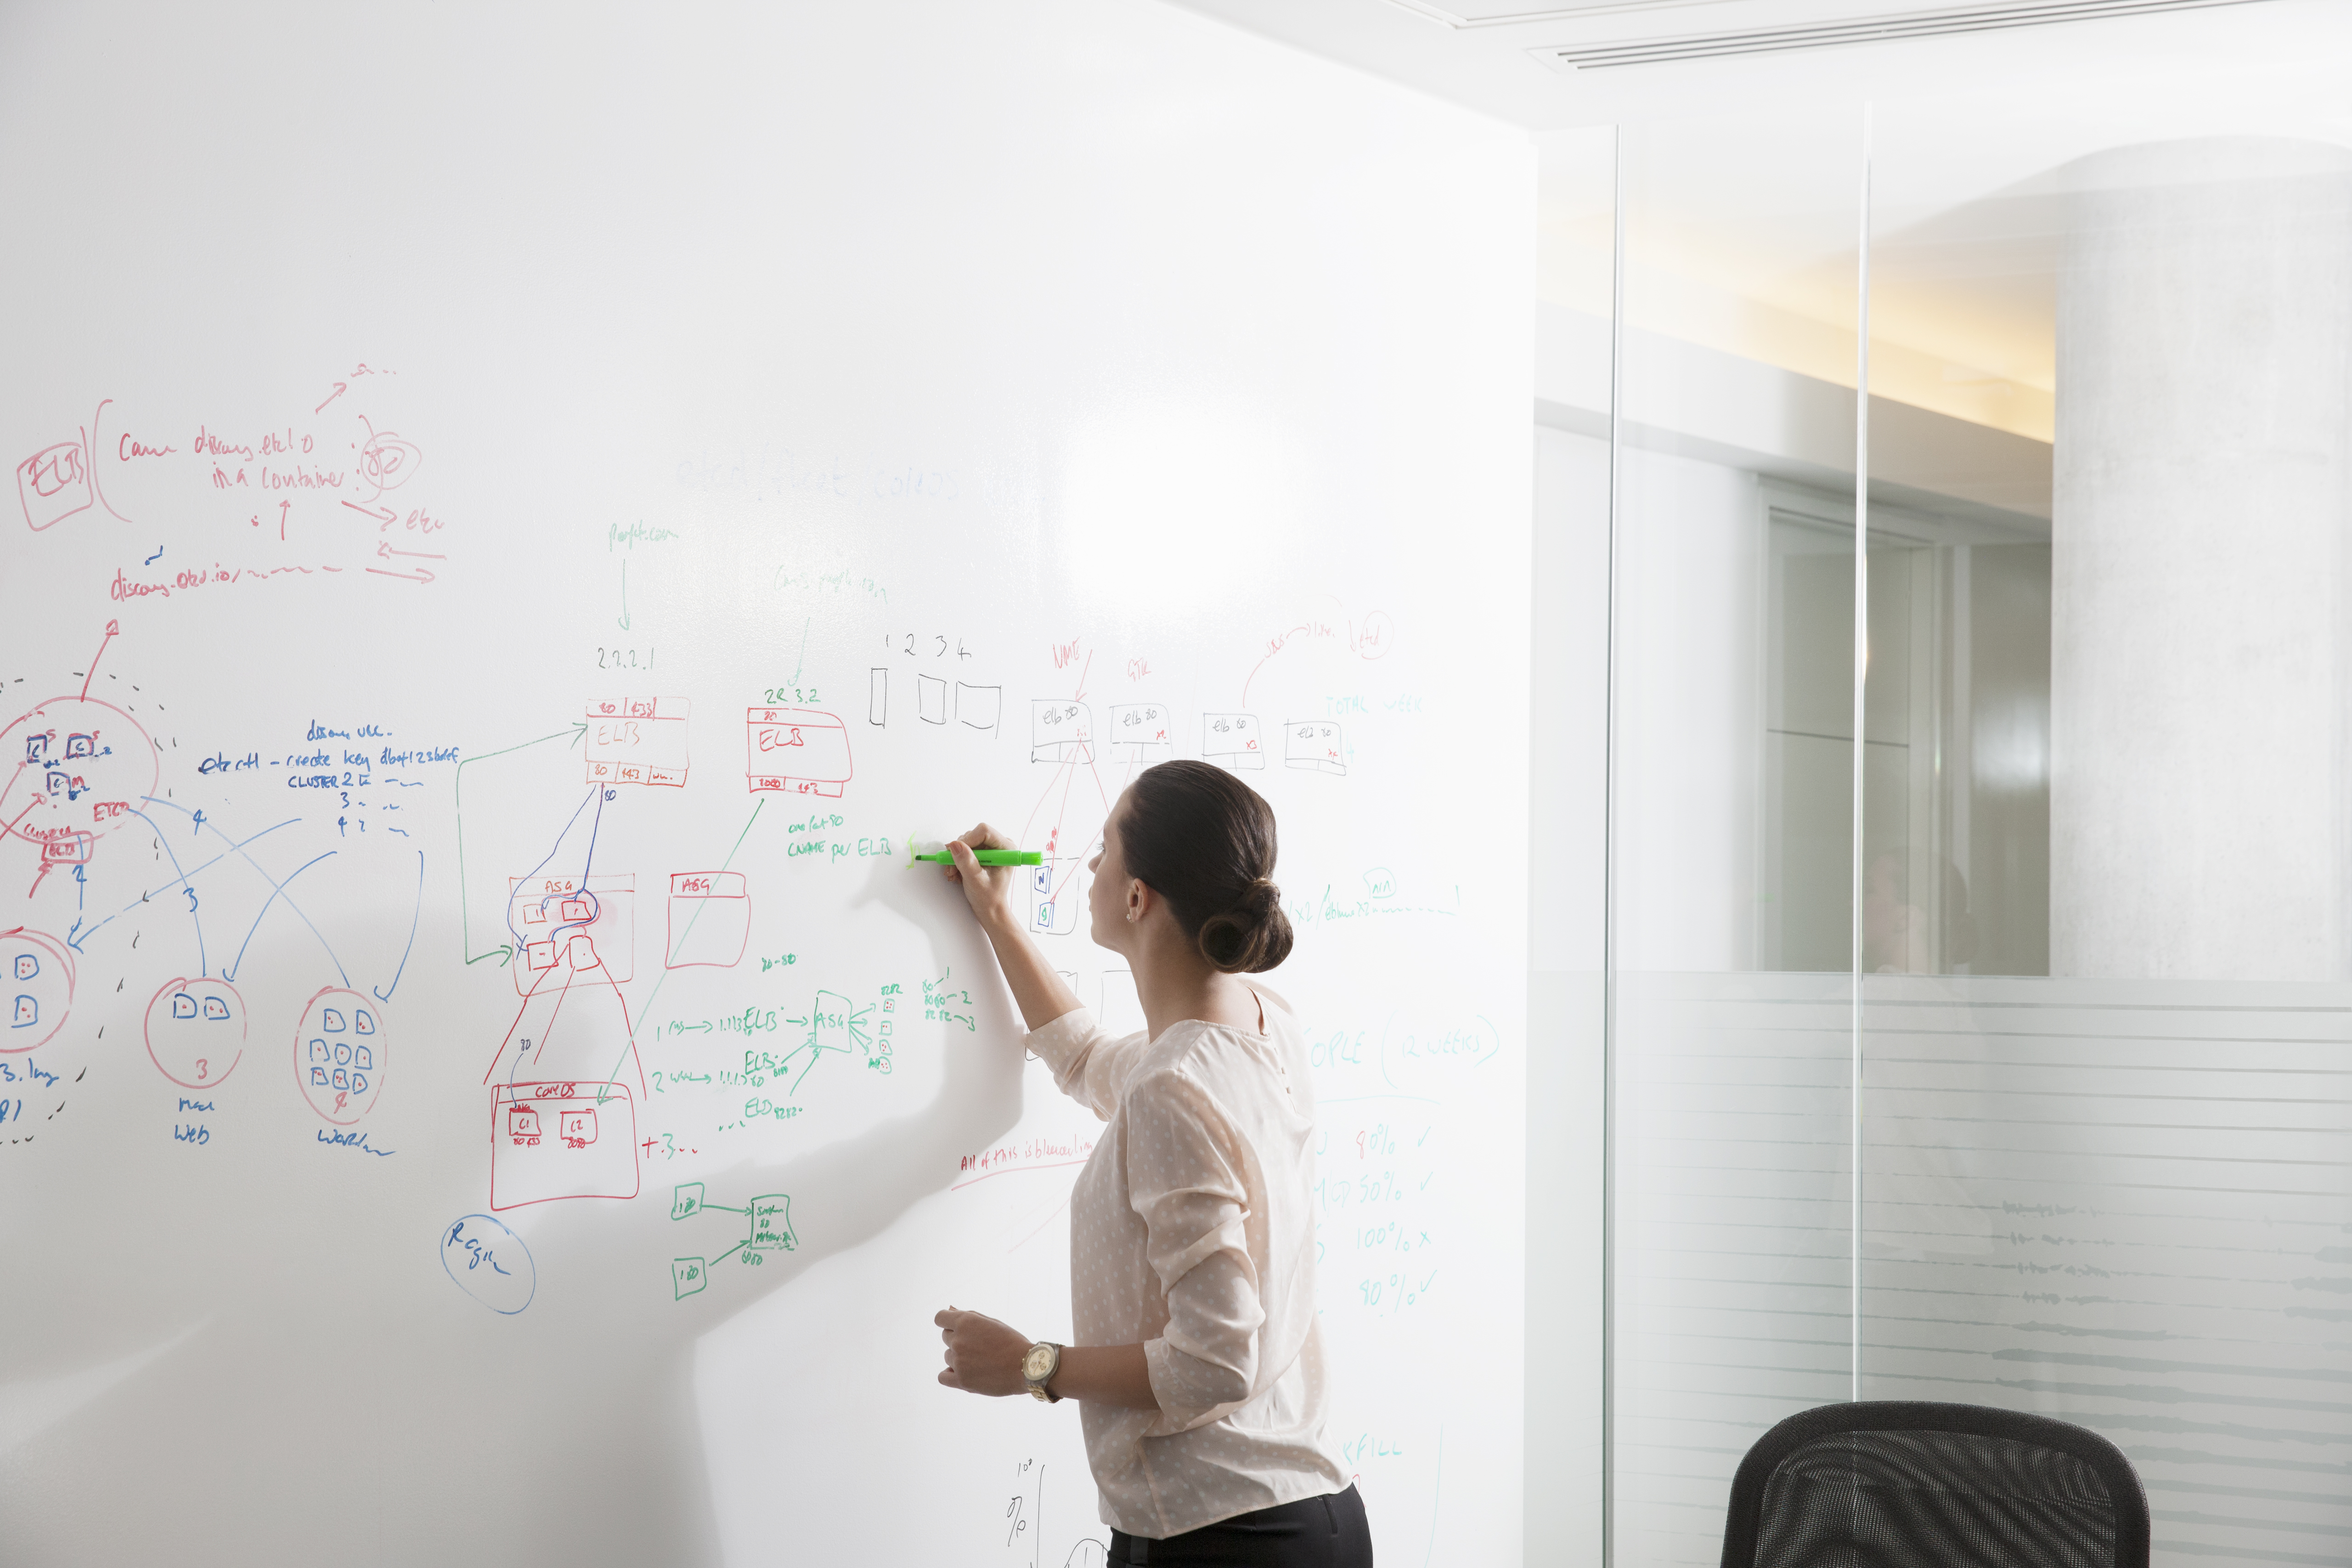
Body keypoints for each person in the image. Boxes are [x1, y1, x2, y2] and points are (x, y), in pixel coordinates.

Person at [932, 760, 1373, 1567]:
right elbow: (1089, 1060)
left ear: (1137, 897)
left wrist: (1032, 1365)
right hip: (1300, 1513)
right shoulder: (1258, 1023)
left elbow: (1215, 1360)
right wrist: (998, 921)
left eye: (1103, 848)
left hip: (1224, 1537)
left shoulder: (1175, 1083)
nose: (1089, 866)